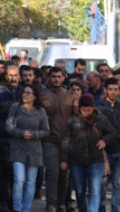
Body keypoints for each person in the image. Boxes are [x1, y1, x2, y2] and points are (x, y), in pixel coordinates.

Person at [61, 95, 115, 212]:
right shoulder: (73, 120)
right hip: (76, 160)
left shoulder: (100, 119)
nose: (86, 113)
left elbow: (112, 133)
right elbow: (66, 140)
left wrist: (104, 140)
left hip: (96, 159)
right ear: (79, 108)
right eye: (83, 110)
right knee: (79, 190)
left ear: (93, 108)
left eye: (89, 110)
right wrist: (64, 160)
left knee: (95, 189)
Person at [5, 84, 50, 212]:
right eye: (24, 92)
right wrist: (20, 133)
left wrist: (34, 134)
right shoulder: (15, 107)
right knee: (19, 180)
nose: (25, 95)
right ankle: (17, 208)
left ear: (35, 96)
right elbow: (8, 126)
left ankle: (26, 209)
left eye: (29, 93)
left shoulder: (41, 111)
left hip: (34, 151)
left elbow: (46, 131)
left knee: (30, 183)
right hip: (18, 149)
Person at [39, 67, 75, 212]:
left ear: (63, 77)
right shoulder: (42, 96)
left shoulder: (71, 96)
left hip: (67, 140)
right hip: (50, 139)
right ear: (49, 78)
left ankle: (61, 202)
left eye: (59, 76)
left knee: (64, 173)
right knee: (52, 172)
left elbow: (76, 118)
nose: (56, 79)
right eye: (53, 76)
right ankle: (51, 203)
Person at [96, 78, 120, 212]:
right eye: (110, 89)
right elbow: (96, 131)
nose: (113, 92)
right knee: (102, 184)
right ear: (105, 90)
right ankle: (101, 209)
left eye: (115, 89)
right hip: (103, 151)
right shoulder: (98, 108)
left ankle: (116, 209)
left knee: (118, 184)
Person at [0, 65, 21, 210]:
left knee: (18, 175)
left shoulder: (25, 93)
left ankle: (15, 203)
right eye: (10, 75)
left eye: (15, 75)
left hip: (21, 140)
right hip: (3, 139)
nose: (13, 78)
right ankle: (4, 203)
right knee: (4, 173)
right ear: (5, 76)